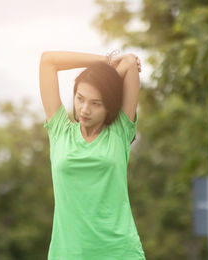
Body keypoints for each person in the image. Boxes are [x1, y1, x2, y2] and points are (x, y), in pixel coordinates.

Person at [39, 50, 146, 260]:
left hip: (120, 253)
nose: (84, 109)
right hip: (67, 254)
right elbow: (47, 61)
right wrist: (105, 61)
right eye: (80, 99)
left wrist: (111, 70)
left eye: (96, 103)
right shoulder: (60, 130)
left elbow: (130, 64)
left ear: (110, 106)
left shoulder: (119, 131)